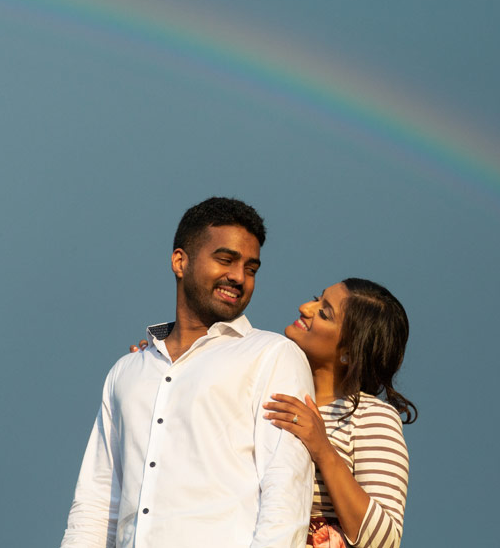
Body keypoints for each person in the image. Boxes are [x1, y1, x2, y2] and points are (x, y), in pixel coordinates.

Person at [61, 197, 315, 548]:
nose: (238, 277)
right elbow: (97, 501)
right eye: (225, 259)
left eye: (251, 268)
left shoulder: (272, 356)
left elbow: (286, 489)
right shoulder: (127, 372)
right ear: (180, 262)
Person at [264, 279, 415, 548]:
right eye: (316, 298)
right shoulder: (267, 392)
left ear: (348, 352)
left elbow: (385, 540)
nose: (305, 308)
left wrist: (322, 448)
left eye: (324, 313)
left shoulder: (372, 417)